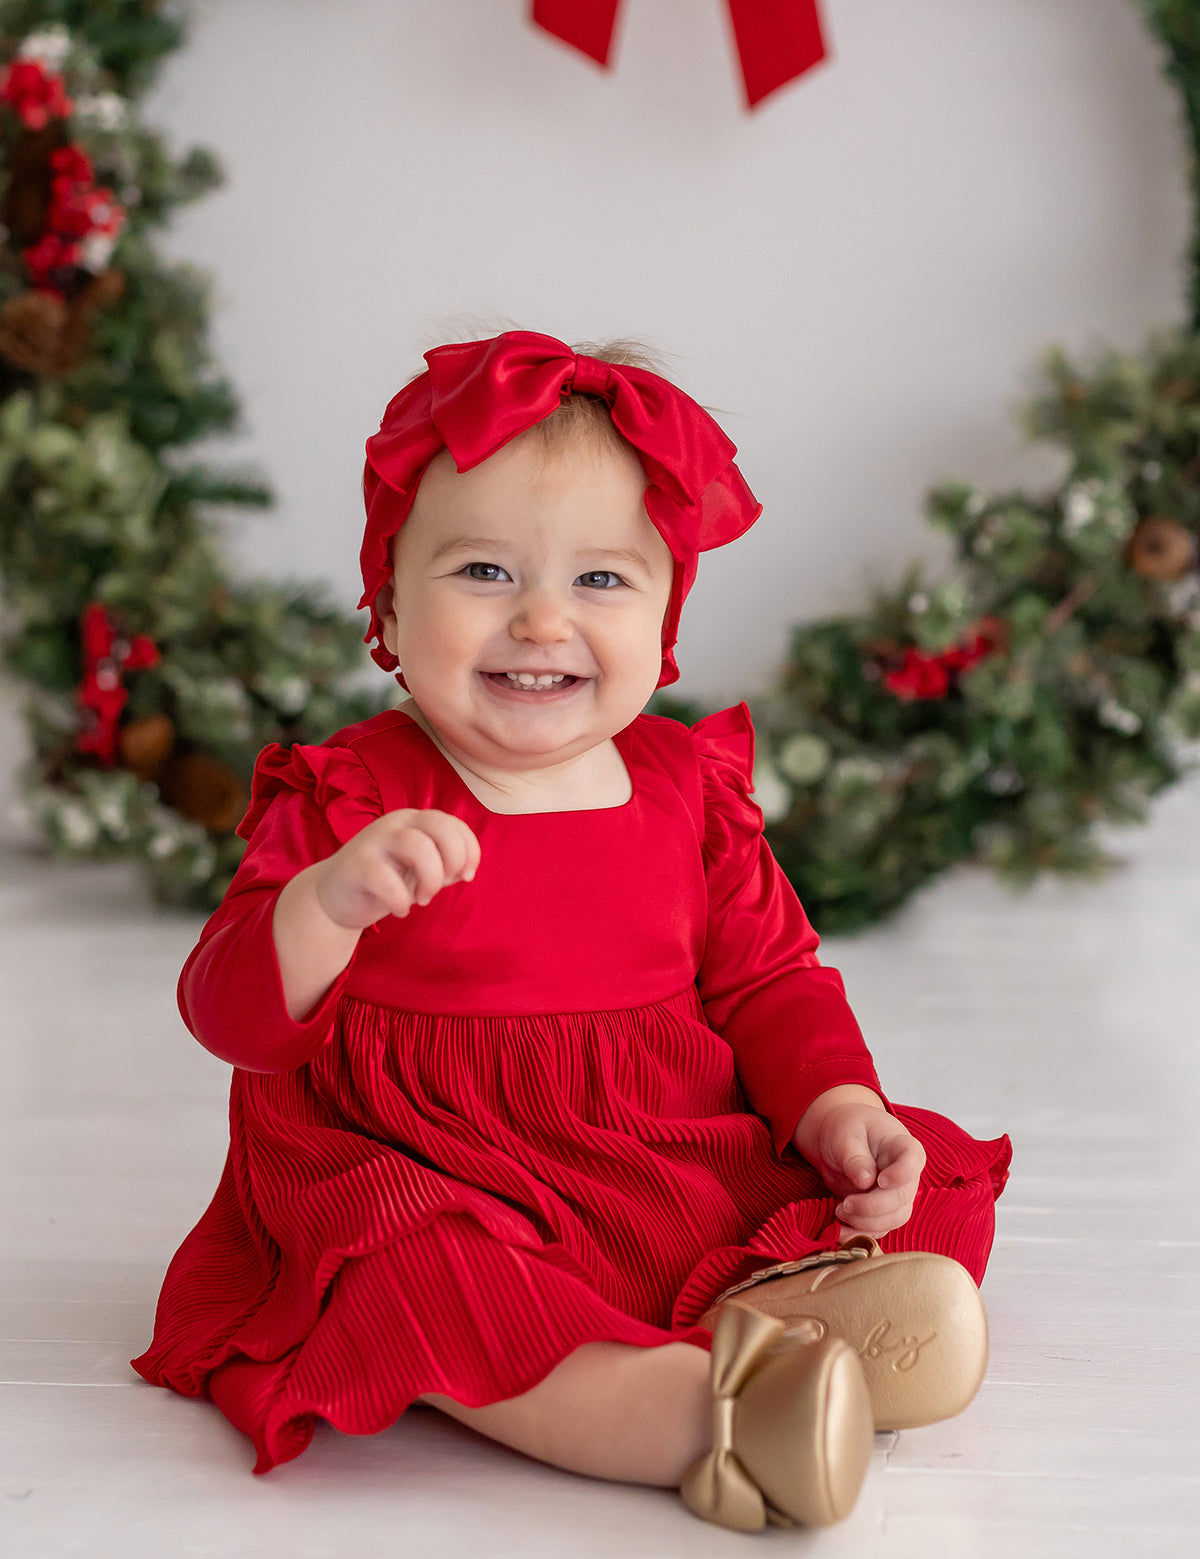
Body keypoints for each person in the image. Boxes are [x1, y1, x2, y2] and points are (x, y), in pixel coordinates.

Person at [132, 331, 1011, 1533]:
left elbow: (769, 982)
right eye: (485, 571)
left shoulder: (682, 786)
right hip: (426, 1164)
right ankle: (695, 1412)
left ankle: (809, 1305)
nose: (542, 619)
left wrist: (835, 1106)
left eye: (602, 580)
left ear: (665, 618)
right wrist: (322, 904)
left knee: (924, 1168)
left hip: (651, 1147)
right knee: (423, 1278)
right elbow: (221, 1008)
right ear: (389, 596)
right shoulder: (351, 797)